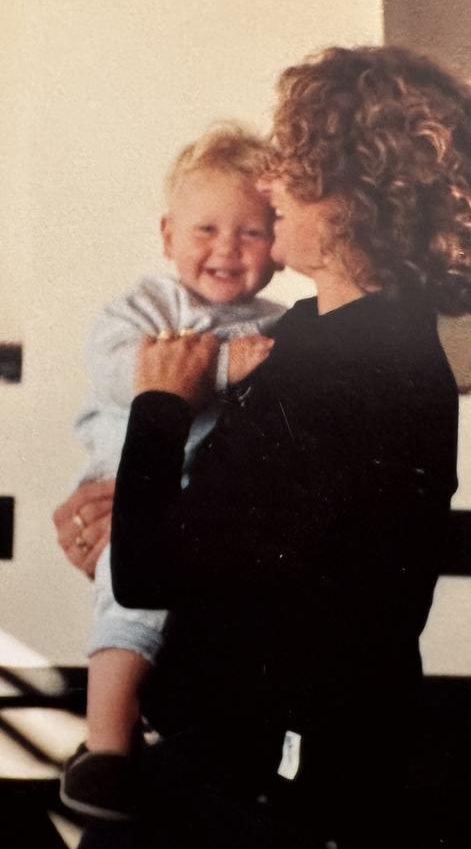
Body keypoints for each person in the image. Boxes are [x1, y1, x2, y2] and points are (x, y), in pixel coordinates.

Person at [56, 46, 471, 847]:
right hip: (235, 765)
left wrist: (158, 411)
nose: (272, 185)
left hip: (265, 795)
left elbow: (151, 571)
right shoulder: (319, 333)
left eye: (296, 164)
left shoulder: (351, 367)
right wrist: (116, 512)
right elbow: (214, 540)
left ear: (354, 197)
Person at [58, 123, 285, 821]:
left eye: (251, 232)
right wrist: (220, 364)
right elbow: (122, 369)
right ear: (166, 235)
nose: (226, 248)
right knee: (132, 595)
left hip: (214, 511)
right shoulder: (147, 307)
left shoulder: (281, 324)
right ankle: (106, 747)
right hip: (132, 485)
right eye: (207, 228)